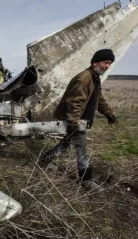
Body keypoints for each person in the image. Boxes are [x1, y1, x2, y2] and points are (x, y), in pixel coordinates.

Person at [40, 49, 118, 191]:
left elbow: (99, 100)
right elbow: (74, 102)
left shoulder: (94, 78)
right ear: (95, 62)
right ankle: (86, 180)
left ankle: (45, 160)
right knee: (82, 149)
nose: (107, 66)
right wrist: (73, 122)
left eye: (109, 64)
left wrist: (109, 114)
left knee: (67, 143)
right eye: (105, 62)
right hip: (75, 119)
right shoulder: (84, 78)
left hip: (78, 120)